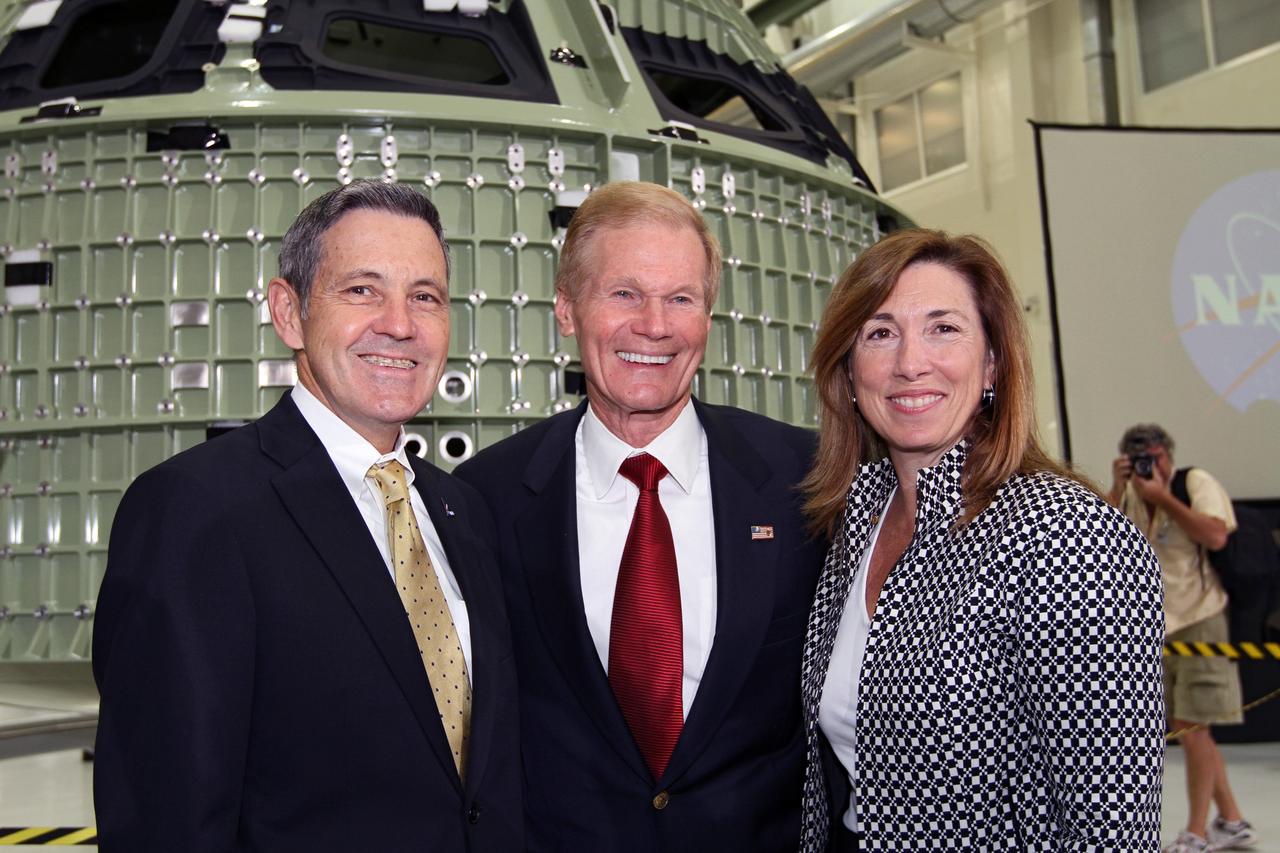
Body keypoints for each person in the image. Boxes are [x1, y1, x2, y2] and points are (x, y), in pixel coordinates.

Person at [92, 180, 521, 852]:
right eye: (362, 289)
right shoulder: (196, 511)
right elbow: (166, 815)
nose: (400, 323)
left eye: (426, 296)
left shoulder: (462, 510)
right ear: (289, 312)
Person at [454, 181, 825, 852]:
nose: (654, 324)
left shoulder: (805, 480)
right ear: (567, 308)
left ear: (707, 317)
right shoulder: (487, 495)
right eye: (624, 293)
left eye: (681, 297)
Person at [797, 229, 1165, 851]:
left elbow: (1113, 826)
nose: (911, 362)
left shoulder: (1068, 534)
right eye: (880, 333)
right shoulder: (855, 520)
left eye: (944, 328)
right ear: (849, 371)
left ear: (992, 363)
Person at [1109, 424, 1258, 853]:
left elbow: (1215, 535)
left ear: (1168, 456)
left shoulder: (1193, 483)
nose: (1146, 466)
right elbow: (1100, 541)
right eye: (1137, 459)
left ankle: (1195, 833)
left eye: (1153, 457)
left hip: (1199, 620)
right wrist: (1120, 488)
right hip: (1155, 625)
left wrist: (1163, 499)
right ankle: (1231, 820)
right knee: (1190, 729)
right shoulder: (1132, 492)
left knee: (1193, 731)